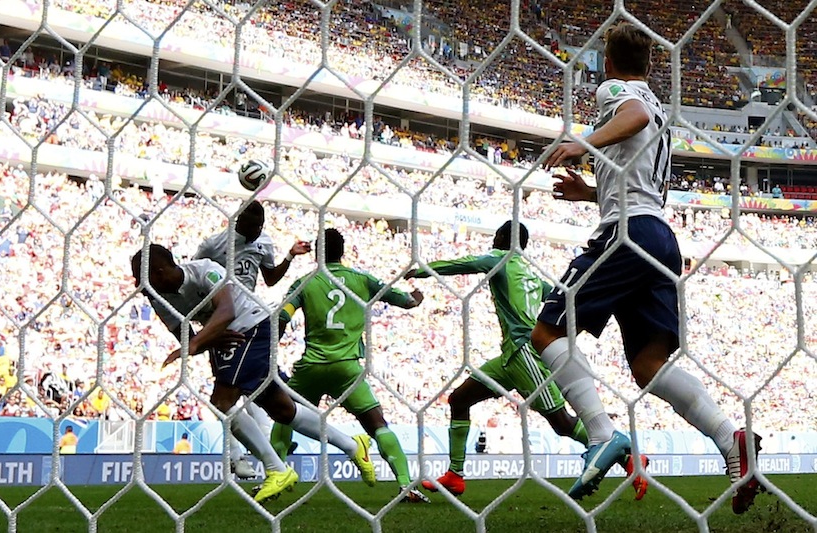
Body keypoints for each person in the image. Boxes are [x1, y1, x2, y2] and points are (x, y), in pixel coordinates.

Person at [531, 22, 761, 513]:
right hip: (658, 238)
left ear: (607, 62)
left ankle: (600, 434)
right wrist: (589, 193)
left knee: (548, 333)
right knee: (647, 365)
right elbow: (640, 178)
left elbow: (630, 115)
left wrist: (584, 143)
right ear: (654, 65)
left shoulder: (618, 91)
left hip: (627, 234)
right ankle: (731, 441)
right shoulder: (663, 111)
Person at [406, 221, 645, 499]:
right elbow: (560, 296)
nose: (493, 239)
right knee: (459, 399)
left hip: (524, 354)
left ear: (503, 237)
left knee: (562, 424)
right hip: (509, 357)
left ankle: (628, 460)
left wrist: (422, 270)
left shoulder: (500, 259)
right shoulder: (530, 273)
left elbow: (467, 263)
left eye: (496, 234)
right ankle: (454, 476)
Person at [131, 243, 375, 504]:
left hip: (253, 325)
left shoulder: (206, 271)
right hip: (224, 340)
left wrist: (196, 343)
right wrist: (204, 341)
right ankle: (352, 445)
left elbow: (226, 311)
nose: (139, 285)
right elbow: (185, 334)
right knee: (281, 409)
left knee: (222, 403)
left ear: (157, 272)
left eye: (141, 278)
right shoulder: (156, 296)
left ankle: (276, 470)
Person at [270, 228, 429, 503]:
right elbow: (406, 302)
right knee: (377, 423)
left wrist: (271, 351)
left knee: (284, 414)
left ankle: (274, 477)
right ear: (342, 253)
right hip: (348, 370)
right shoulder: (362, 280)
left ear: (318, 253)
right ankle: (406, 485)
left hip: (312, 368)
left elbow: (282, 317)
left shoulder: (305, 282)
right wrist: (416, 296)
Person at [192, 200, 310, 479]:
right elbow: (195, 277)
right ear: (237, 222)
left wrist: (289, 257)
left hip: (252, 320)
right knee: (227, 391)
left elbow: (270, 279)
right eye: (253, 226)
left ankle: (265, 446)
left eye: (261, 225)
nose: (258, 230)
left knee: (252, 386)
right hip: (224, 325)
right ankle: (236, 456)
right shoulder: (213, 245)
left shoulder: (263, 242)